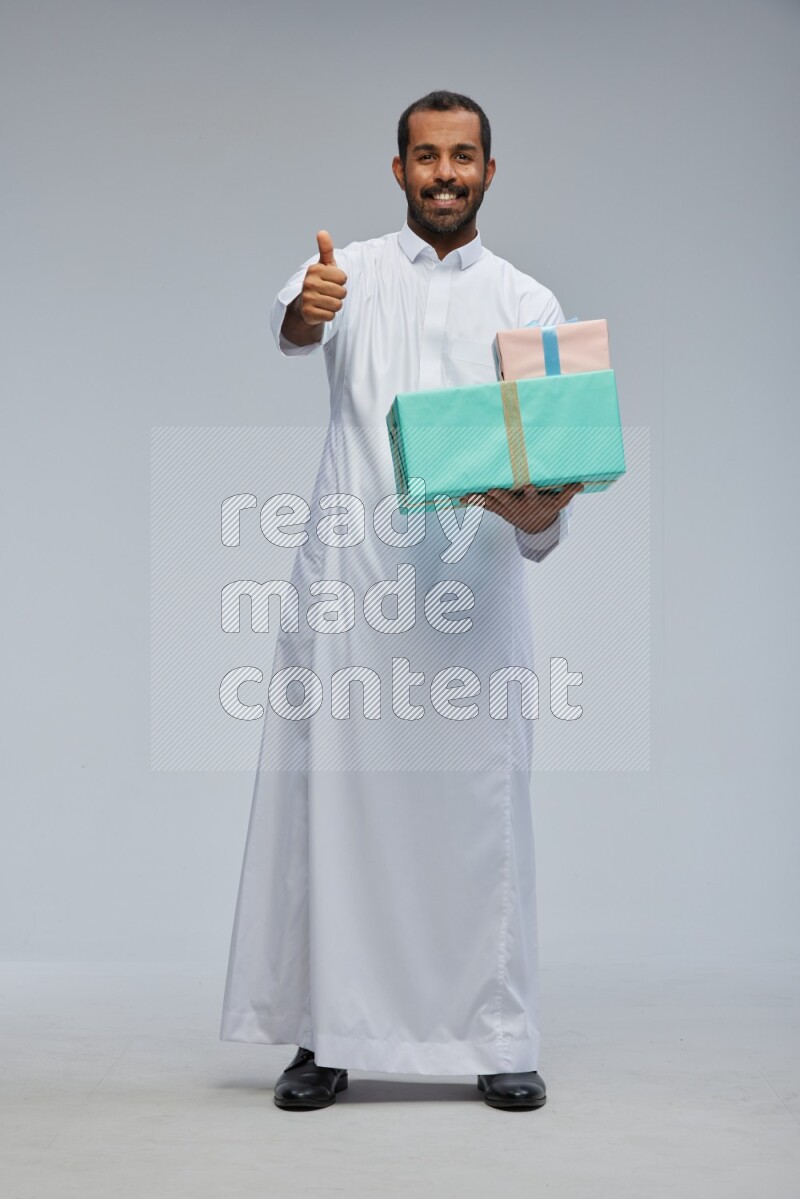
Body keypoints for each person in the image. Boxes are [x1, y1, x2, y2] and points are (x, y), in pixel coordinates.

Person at [220, 90, 582, 1112]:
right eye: (424, 156)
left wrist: (534, 499)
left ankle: (498, 1033)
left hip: (470, 601)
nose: (443, 173)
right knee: (331, 812)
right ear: (397, 170)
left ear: (488, 171)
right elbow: (296, 325)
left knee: (480, 816)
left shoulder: (527, 303)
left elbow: (543, 488)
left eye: (462, 156)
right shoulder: (347, 272)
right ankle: (323, 1036)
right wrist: (304, 310)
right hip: (352, 592)